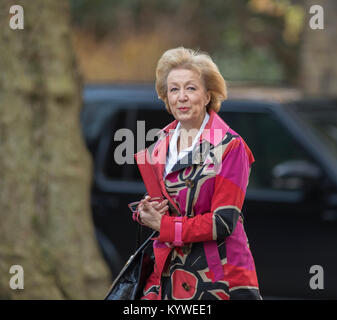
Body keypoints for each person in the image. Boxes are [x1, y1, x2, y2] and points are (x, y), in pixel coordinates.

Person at [136, 47, 262, 300]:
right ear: (166, 98)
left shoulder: (230, 146)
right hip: (167, 274)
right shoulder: (160, 145)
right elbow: (170, 205)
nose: (181, 97)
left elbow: (223, 222)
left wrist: (165, 225)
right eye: (174, 89)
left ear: (207, 96)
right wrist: (146, 212)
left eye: (190, 88)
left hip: (218, 279)